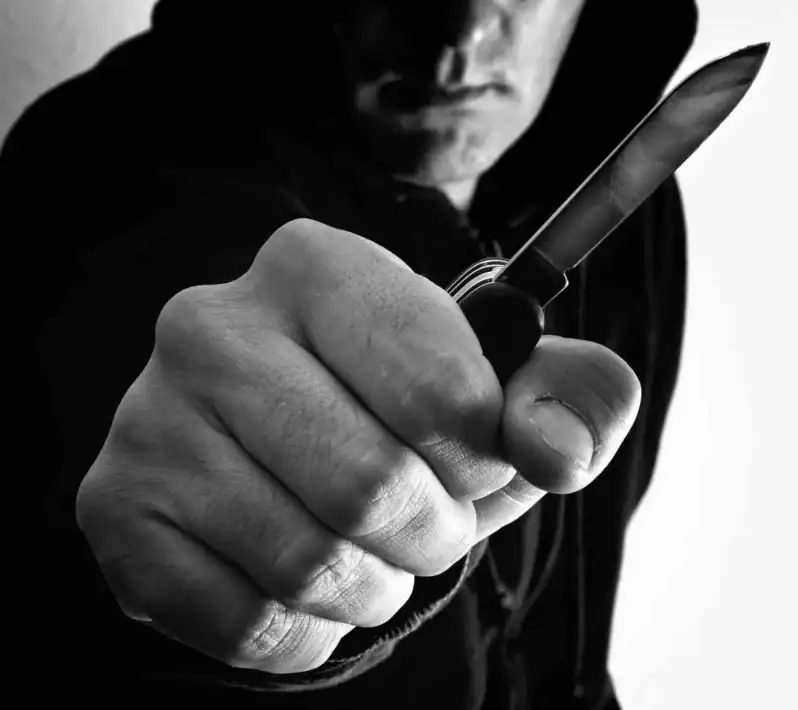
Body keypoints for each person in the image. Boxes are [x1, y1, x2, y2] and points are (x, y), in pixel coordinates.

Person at [4, 0, 697, 706]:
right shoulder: (105, 160)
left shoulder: (626, 192)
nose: (459, 38)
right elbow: (81, 551)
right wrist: (171, 571)